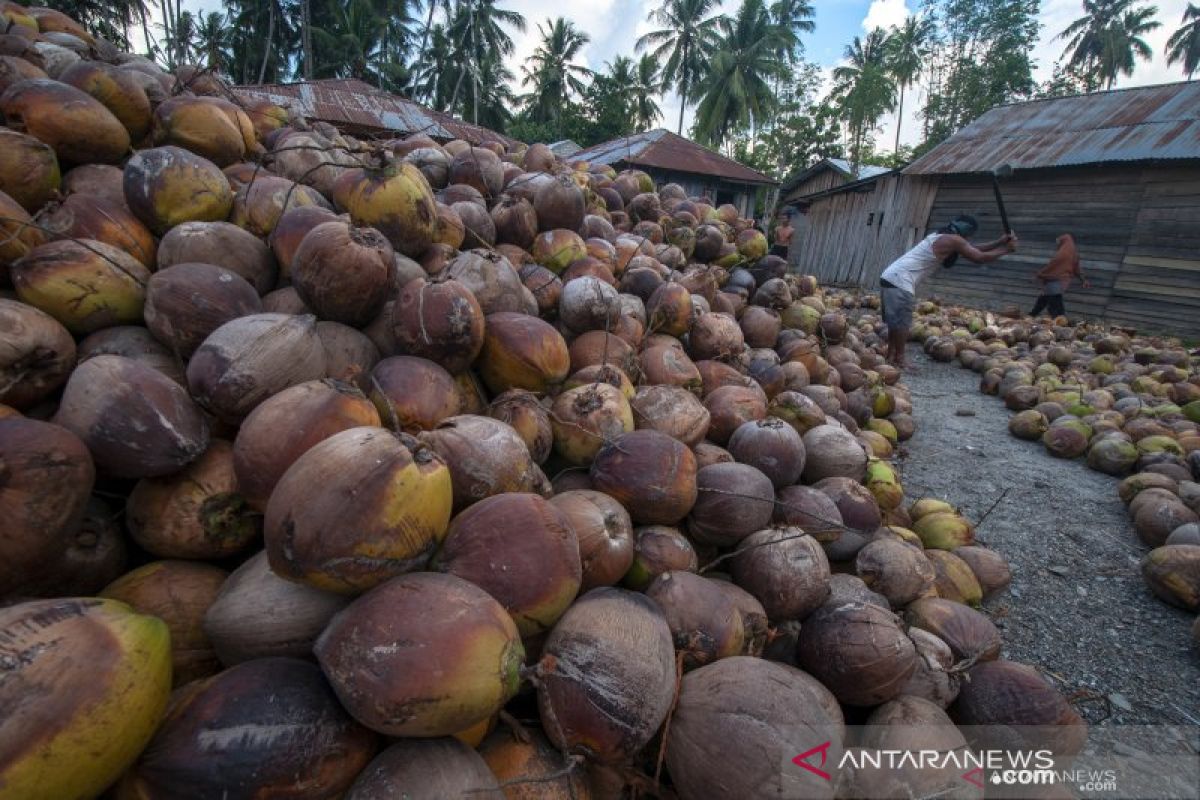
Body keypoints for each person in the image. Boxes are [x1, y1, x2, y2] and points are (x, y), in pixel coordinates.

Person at [879, 215, 1017, 370]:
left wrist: (999, 242)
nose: (969, 238)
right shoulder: (954, 240)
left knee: (895, 322)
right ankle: (900, 358)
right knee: (902, 323)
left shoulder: (942, 235)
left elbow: (973, 248)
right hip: (901, 281)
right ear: (967, 231)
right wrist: (1005, 250)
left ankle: (891, 355)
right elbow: (979, 257)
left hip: (890, 276)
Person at [1031, 233, 1089, 321]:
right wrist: (1084, 280)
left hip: (1055, 281)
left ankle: (1061, 323)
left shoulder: (1062, 253)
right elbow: (1077, 269)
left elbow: (1052, 265)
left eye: (1059, 242)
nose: (1058, 245)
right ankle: (1032, 314)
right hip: (1062, 281)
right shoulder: (1074, 253)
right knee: (1045, 298)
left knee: (1055, 305)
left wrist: (1040, 274)